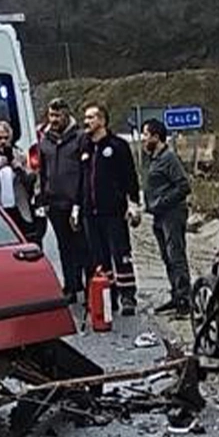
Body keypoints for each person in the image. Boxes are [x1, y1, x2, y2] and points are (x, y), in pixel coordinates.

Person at [80, 103, 141, 316]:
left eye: (91, 117)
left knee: (121, 254)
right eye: (85, 118)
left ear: (103, 121)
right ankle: (109, 296)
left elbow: (129, 177)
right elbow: (81, 180)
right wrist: (78, 207)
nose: (87, 122)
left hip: (114, 211)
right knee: (99, 258)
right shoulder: (85, 147)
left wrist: (133, 203)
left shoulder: (117, 146)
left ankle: (128, 296)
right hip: (90, 213)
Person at [38, 98, 90, 303]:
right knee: (64, 246)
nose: (54, 119)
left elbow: (86, 171)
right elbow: (42, 171)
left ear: (67, 114)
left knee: (82, 246)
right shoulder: (45, 140)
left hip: (75, 201)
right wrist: (42, 197)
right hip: (54, 201)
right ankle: (70, 286)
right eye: (51, 115)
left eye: (58, 115)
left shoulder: (80, 138)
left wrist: (80, 199)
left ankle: (88, 287)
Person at [140, 119, 192, 318]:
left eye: (146, 135)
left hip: (172, 214)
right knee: (166, 257)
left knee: (176, 256)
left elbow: (183, 186)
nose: (143, 139)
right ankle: (175, 295)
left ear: (156, 136)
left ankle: (184, 300)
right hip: (159, 216)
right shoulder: (153, 159)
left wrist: (162, 202)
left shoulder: (169, 158)